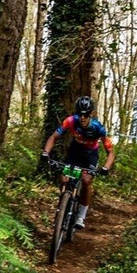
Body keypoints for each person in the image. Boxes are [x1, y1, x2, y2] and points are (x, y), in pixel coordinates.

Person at [40, 95, 115, 228]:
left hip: (90, 154)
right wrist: (46, 152)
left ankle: (81, 216)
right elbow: (54, 137)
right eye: (80, 114)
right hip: (75, 151)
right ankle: (62, 205)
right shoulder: (70, 121)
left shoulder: (98, 127)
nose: (82, 118)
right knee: (64, 178)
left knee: (86, 181)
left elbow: (110, 152)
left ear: (91, 114)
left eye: (86, 115)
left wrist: (106, 167)